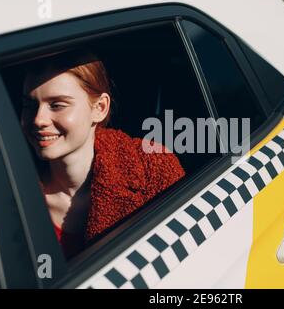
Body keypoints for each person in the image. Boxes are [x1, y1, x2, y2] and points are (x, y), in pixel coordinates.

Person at [20, 50, 185, 259]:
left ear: (100, 108)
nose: (38, 119)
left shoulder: (154, 171)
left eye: (57, 105)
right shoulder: (8, 194)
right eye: (29, 105)